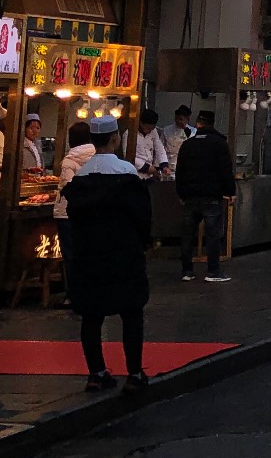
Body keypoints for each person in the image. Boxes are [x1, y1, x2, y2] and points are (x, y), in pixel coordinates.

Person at [64, 114, 153, 391]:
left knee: (91, 315)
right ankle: (135, 373)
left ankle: (96, 372)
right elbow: (143, 218)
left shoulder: (79, 180)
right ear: (115, 139)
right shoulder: (127, 177)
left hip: (88, 256)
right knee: (132, 313)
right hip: (123, 254)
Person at [173, 109, 235, 282]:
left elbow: (180, 171)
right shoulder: (219, 143)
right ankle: (213, 271)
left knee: (187, 234)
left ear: (198, 124)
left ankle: (187, 271)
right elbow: (225, 170)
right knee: (213, 234)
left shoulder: (188, 144)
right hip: (211, 196)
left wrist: (181, 193)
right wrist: (230, 191)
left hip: (190, 196)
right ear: (212, 123)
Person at [54, 120, 94, 264]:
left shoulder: (69, 160)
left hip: (67, 213)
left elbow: (67, 188)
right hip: (89, 211)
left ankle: (73, 284)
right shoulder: (97, 157)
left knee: (70, 255)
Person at [133, 110, 171, 182]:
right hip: (136, 172)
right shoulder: (130, 133)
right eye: (148, 128)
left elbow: (159, 147)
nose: (150, 131)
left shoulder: (153, 131)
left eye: (152, 129)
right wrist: (147, 168)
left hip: (150, 174)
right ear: (141, 123)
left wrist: (164, 165)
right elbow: (129, 154)